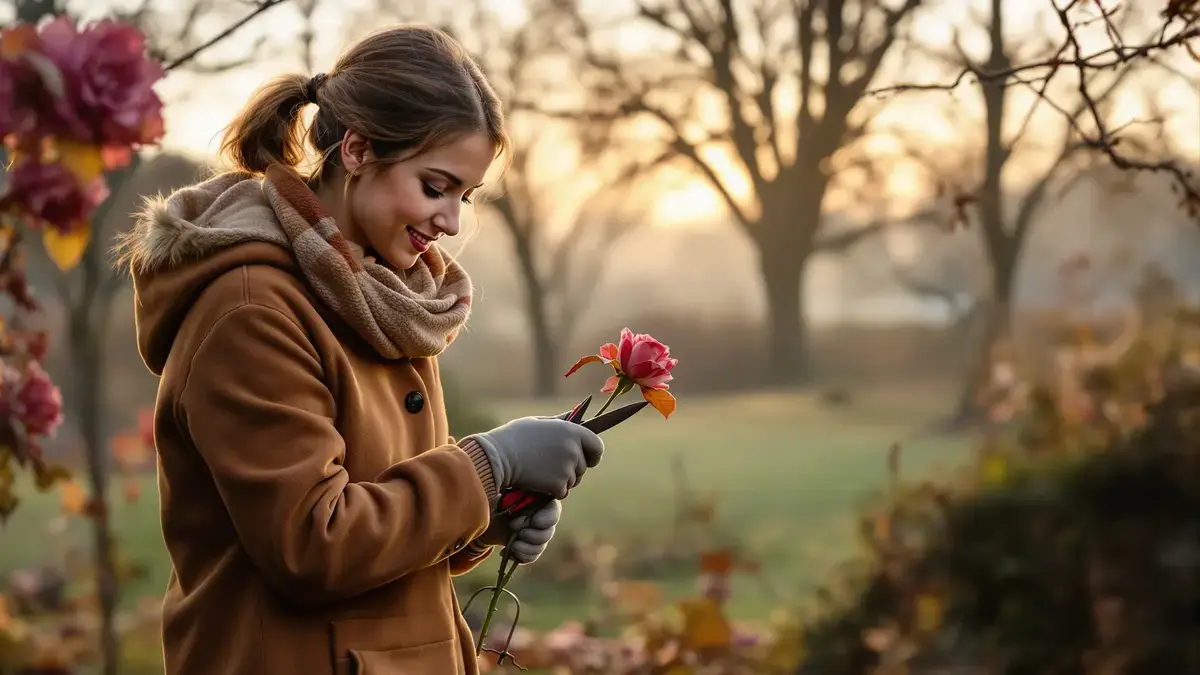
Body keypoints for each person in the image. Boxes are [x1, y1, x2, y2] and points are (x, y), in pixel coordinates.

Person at [116, 24, 604, 675]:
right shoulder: (251, 308)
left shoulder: (381, 296)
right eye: (435, 186)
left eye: (466, 194)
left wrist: (485, 516)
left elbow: (379, 500)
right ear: (357, 149)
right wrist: (489, 463)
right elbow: (311, 544)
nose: (452, 221)